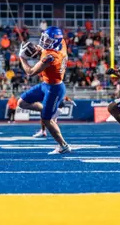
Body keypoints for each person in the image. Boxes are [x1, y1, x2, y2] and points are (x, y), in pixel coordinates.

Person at [17, 26, 71, 154]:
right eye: (44, 39)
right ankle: (49, 110)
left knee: (46, 120)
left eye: (48, 41)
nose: (44, 42)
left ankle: (63, 145)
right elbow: (46, 49)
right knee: (22, 102)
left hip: (54, 89)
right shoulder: (61, 43)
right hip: (46, 84)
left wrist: (22, 58)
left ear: (55, 41)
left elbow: (30, 72)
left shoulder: (50, 57)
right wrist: (38, 49)